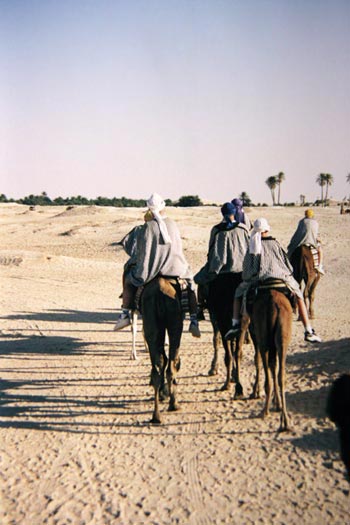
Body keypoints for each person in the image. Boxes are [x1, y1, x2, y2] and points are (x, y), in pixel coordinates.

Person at [114, 192, 201, 337]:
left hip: (152, 270)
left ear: (148, 209)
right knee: (190, 284)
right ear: (163, 206)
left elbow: (142, 252)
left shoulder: (146, 227)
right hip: (174, 268)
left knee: (129, 279)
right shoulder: (173, 224)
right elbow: (178, 248)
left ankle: (124, 314)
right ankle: (193, 320)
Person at [225, 218, 322, 343]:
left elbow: (248, 270)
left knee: (238, 294)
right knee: (299, 296)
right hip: (280, 278)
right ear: (267, 229)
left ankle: (235, 324)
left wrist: (249, 277)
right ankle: (308, 330)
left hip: (259, 279)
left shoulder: (252, 246)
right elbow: (287, 265)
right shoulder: (275, 243)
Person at [287, 209, 324, 275]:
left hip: (300, 241)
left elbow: (298, 233)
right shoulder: (315, 223)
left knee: (290, 249)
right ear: (312, 215)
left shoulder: (301, 221)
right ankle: (320, 266)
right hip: (311, 241)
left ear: (305, 215)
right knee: (320, 250)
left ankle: (288, 265)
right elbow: (315, 234)